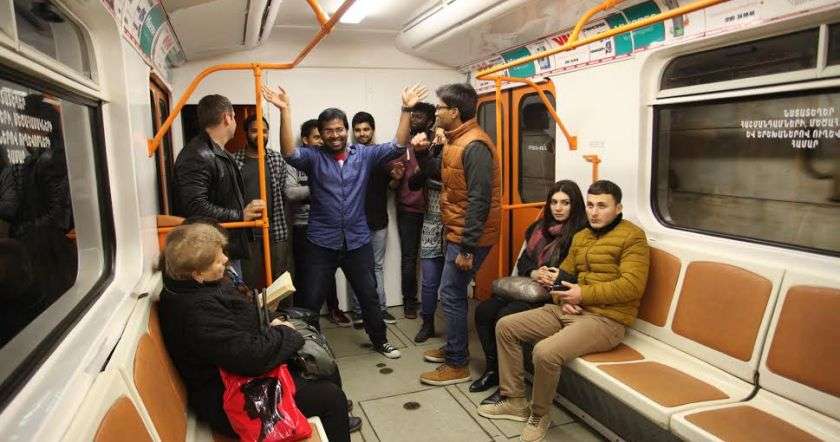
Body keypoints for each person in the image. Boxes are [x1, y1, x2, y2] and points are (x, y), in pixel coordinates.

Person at [477, 180, 650, 442]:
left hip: (606, 320)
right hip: (569, 309)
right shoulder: (582, 236)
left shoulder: (632, 237)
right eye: (590, 205)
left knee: (544, 352)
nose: (594, 212)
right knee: (506, 326)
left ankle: (539, 414)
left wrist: (582, 294)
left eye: (602, 206)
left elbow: (632, 286)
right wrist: (561, 294)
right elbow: (564, 276)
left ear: (618, 208)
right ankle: (514, 400)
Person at [267, 82, 429, 359]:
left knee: (369, 295)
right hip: (321, 242)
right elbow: (289, 153)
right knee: (311, 300)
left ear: (346, 130)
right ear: (321, 134)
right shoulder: (314, 158)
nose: (335, 135)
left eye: (339, 129)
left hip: (357, 241)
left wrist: (405, 109)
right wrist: (285, 111)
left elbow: (397, 145)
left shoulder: (363, 155)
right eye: (328, 131)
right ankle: (310, 350)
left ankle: (380, 341)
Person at [157, 223, 356, 441]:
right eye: (217, 260)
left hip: (239, 375)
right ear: (198, 274)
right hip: (234, 398)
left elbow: (242, 316)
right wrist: (286, 333)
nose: (225, 259)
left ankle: (338, 421)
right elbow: (250, 357)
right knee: (330, 399)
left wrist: (273, 319)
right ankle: (336, 419)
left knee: (322, 363)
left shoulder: (199, 286)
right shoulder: (196, 313)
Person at [412, 83, 502, 386]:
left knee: (451, 293)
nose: (436, 112)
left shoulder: (475, 146)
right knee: (451, 292)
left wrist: (467, 248)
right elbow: (438, 172)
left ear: (454, 111)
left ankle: (457, 363)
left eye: (439, 107)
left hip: (469, 235)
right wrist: (422, 154)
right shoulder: (456, 140)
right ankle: (454, 346)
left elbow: (480, 200)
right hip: (458, 230)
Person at [471, 180, 588, 404]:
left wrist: (555, 277)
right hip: (530, 287)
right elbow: (524, 261)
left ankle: (508, 384)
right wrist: (535, 272)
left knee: (504, 317)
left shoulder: (581, 235)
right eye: (554, 202)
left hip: (552, 297)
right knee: (484, 311)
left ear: (575, 206)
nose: (558, 208)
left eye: (565, 203)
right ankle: (493, 369)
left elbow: (580, 272)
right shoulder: (539, 228)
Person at [174, 94, 266, 275]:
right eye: (234, 118)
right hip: (210, 250)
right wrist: (240, 215)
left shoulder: (220, 153)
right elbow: (195, 206)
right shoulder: (197, 155)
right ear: (227, 118)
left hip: (222, 244)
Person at [285, 120, 351, 326]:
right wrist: (321, 188)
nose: (322, 141)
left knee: (328, 272)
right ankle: (304, 320)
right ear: (305, 140)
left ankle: (334, 309)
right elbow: (290, 193)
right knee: (304, 274)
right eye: (316, 137)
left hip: (328, 225)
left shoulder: (332, 159)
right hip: (302, 225)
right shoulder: (294, 162)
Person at [346, 111, 396, 325]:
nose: (362, 133)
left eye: (366, 129)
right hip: (355, 222)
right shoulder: (348, 155)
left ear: (373, 130)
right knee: (356, 267)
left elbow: (391, 187)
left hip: (379, 220)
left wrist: (397, 178)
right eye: (357, 130)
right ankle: (359, 312)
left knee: (377, 266)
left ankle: (381, 309)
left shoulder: (383, 155)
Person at [232, 115, 289, 289]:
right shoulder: (234, 161)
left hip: (275, 230)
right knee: (250, 282)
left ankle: (278, 309)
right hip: (247, 233)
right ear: (246, 133)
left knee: (280, 283)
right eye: (254, 131)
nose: (260, 135)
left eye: (264, 131)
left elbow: (283, 193)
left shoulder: (276, 159)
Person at [391, 102, 436, 320]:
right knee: (409, 257)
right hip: (409, 209)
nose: (414, 120)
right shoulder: (403, 145)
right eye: (413, 116)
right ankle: (409, 301)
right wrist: (396, 175)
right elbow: (393, 177)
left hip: (436, 211)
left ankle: (432, 300)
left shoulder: (438, 143)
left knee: (434, 257)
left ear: (430, 121)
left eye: (419, 117)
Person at [407, 127, 445, 343]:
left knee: (451, 285)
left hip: (453, 226)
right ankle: (427, 323)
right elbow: (413, 183)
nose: (439, 137)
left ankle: (453, 330)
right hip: (431, 223)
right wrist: (429, 158)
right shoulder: (429, 158)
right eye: (436, 134)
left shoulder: (461, 156)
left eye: (443, 133)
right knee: (429, 280)